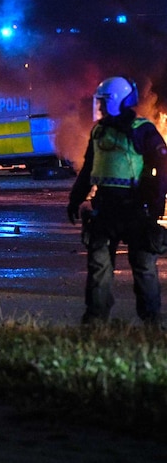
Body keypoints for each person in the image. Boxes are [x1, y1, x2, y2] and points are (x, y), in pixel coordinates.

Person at [66, 76, 167, 327]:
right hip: (106, 208)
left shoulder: (142, 129)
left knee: (143, 266)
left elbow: (162, 169)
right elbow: (89, 169)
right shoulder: (99, 131)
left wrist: (154, 207)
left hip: (135, 210)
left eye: (102, 102)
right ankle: (95, 321)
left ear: (115, 102)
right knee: (99, 267)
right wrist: (75, 199)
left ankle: (152, 323)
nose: (97, 107)